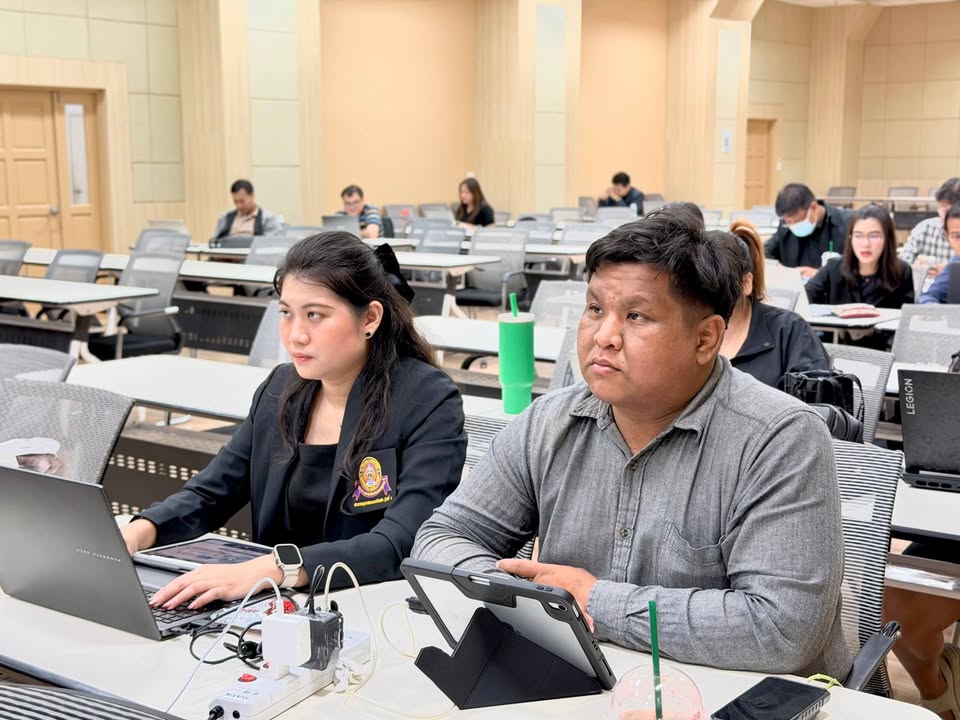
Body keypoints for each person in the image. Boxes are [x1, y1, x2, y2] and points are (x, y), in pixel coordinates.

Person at [413, 213, 851, 679]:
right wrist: (527, 602)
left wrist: (591, 600)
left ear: (705, 338)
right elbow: (442, 538)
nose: (604, 336)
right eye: (594, 309)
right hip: (580, 685)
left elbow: (783, 629)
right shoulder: (549, 422)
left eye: (636, 316)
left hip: (739, 698)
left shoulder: (779, 439)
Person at [121, 233, 467, 609]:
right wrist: (140, 530)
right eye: (286, 313)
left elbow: (400, 541)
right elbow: (211, 494)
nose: (295, 335)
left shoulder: (427, 399)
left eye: (315, 315)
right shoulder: (280, 388)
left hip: (372, 609)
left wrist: (275, 569)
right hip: (272, 606)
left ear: (369, 318)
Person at [722, 220, 830, 387]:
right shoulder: (691, 332)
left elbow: (814, 398)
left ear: (746, 283)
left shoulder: (790, 331)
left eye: (719, 279)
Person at [805, 204, 914, 309]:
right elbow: (804, 299)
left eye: (874, 236)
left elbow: (907, 316)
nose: (865, 244)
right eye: (858, 236)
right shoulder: (833, 268)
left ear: (887, 238)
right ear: (850, 238)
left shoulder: (902, 271)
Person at [765, 183, 851, 277]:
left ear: (813, 207)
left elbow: (858, 268)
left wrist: (824, 275)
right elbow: (764, 251)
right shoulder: (785, 226)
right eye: (788, 222)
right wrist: (778, 268)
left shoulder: (847, 224)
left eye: (797, 220)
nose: (793, 225)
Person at [899, 177, 960, 277]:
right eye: (940, 208)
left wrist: (951, 274)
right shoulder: (924, 229)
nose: (942, 215)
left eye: (947, 211)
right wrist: (915, 268)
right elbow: (901, 265)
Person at [212, 179, 283, 240]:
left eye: (242, 201)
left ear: (252, 196)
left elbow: (273, 243)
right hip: (227, 251)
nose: (239, 206)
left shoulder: (267, 218)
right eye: (235, 202)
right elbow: (214, 241)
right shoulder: (225, 218)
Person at [919, 205, 960, 304]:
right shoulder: (955, 264)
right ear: (947, 235)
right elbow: (929, 296)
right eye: (957, 236)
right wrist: (936, 309)